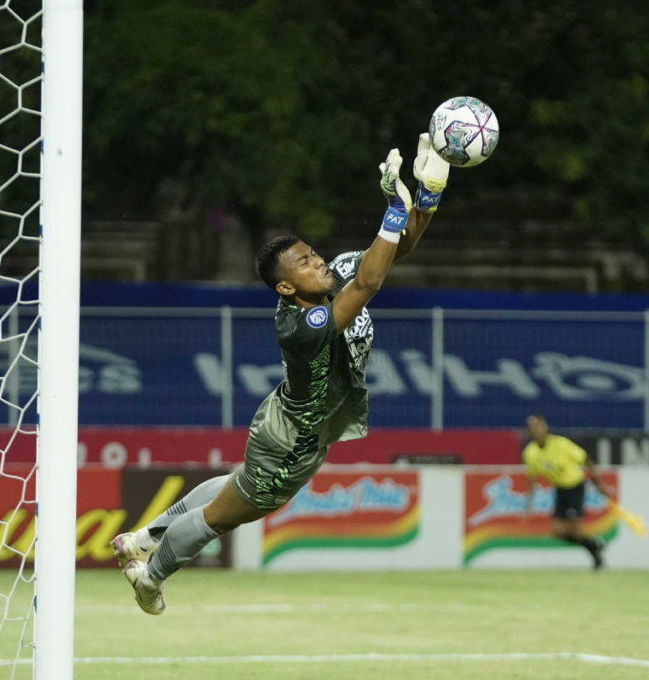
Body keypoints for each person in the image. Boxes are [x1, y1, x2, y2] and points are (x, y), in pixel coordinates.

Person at [111, 135, 451, 614]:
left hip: (287, 421)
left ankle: (143, 538)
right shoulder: (301, 326)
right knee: (224, 516)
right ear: (288, 287)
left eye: (313, 253)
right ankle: (150, 578)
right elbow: (372, 281)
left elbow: (399, 247)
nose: (318, 261)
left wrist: (429, 192)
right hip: (293, 442)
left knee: (238, 485)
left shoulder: (335, 275)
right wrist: (394, 209)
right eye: (305, 263)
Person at [522, 415, 608, 570]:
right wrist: (529, 503)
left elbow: (586, 459)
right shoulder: (530, 453)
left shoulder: (561, 444)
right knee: (558, 531)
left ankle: (597, 558)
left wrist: (598, 482)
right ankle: (594, 545)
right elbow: (532, 478)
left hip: (575, 486)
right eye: (532, 428)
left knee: (575, 530)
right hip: (560, 489)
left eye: (538, 427)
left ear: (545, 428)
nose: (536, 431)